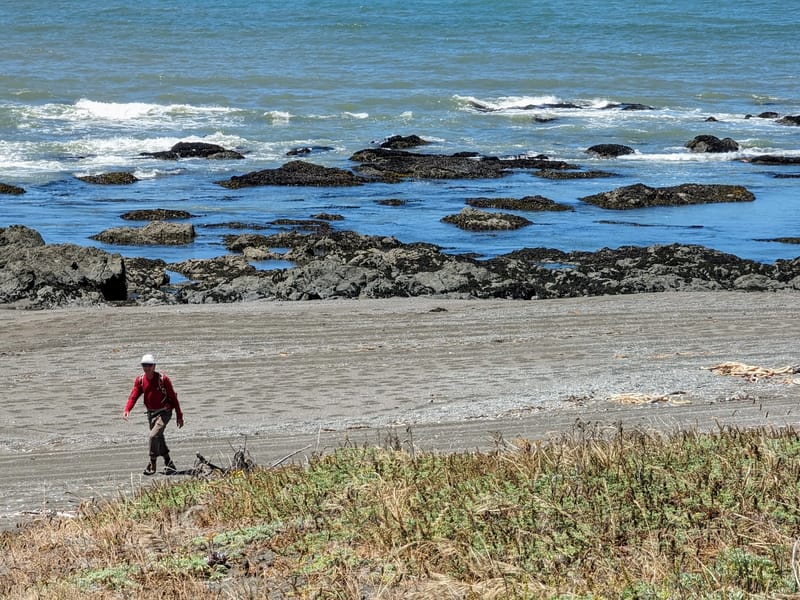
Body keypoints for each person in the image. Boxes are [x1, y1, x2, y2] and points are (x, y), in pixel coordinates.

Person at [123, 353, 184, 475]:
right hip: (151, 414)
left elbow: (173, 398)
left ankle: (152, 463)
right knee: (158, 437)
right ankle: (169, 463)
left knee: (153, 436)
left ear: (154, 366)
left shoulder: (163, 379)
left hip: (165, 412)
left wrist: (179, 415)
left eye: (149, 365)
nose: (147, 368)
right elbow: (134, 395)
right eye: (144, 365)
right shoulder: (140, 380)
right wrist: (127, 409)